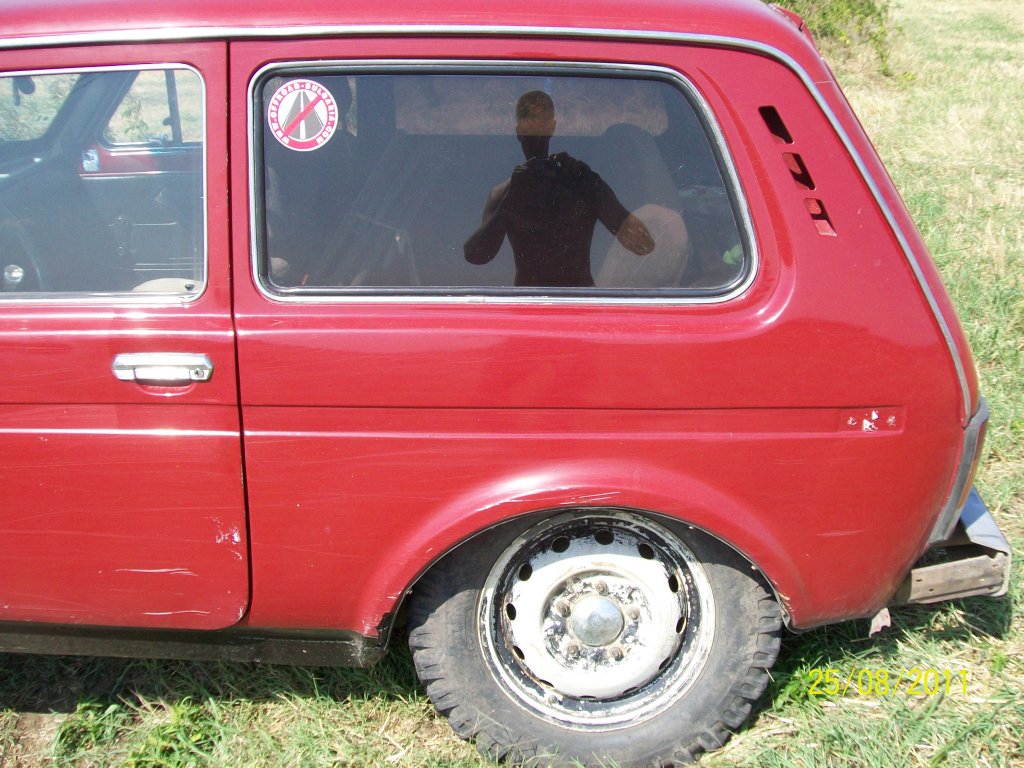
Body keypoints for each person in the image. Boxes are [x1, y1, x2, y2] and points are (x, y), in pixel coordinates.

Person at [464, 90, 654, 288]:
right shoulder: (506, 193)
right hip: (540, 302)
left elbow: (643, 244)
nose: (536, 137)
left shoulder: (580, 181)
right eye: (530, 129)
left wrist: (590, 184)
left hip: (572, 301)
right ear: (519, 132)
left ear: (552, 128)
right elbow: (476, 256)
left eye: (541, 127)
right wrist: (510, 201)